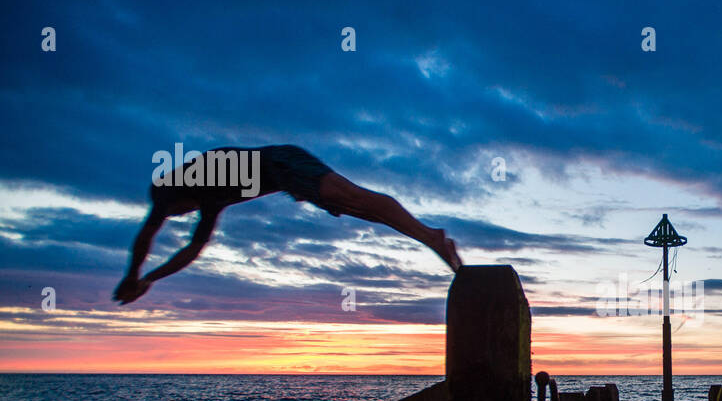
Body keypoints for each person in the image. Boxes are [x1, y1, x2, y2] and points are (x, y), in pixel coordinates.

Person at [113, 145, 462, 304]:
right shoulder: (210, 198)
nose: (183, 215)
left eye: (176, 213)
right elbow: (193, 248)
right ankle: (431, 238)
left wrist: (133, 275)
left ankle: (432, 237)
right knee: (364, 211)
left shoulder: (178, 184)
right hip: (285, 176)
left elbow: (147, 234)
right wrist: (148, 279)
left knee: (361, 200)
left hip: (284, 164)